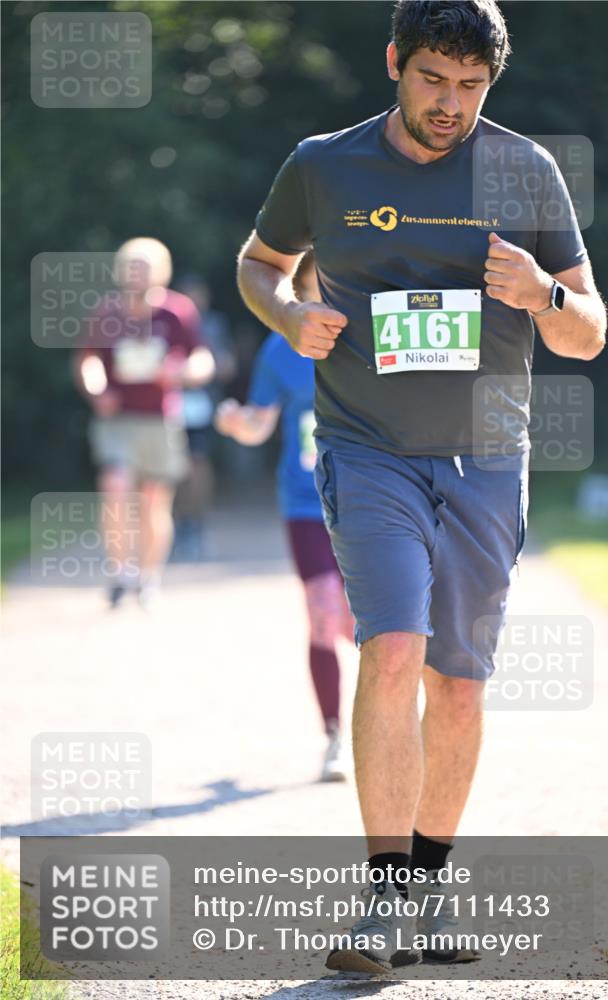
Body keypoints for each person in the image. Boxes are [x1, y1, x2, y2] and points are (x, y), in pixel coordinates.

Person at [236, 0, 607, 974]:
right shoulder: (324, 162)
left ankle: (428, 897)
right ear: (396, 61)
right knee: (392, 644)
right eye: (433, 80)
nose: (450, 105)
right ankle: (382, 901)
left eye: (471, 87)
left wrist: (545, 295)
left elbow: (588, 329)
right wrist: (284, 312)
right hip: (368, 448)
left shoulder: (525, 170)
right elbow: (259, 263)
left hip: (488, 456)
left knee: (458, 680)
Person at [215, 254, 354, 782]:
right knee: (322, 611)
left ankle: (389, 725)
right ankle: (335, 735)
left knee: (366, 625)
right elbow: (258, 424)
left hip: (376, 501)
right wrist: (237, 423)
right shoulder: (282, 347)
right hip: (306, 502)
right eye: (316, 282)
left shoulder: (372, 335)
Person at [73, 238, 215, 608]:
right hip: (118, 419)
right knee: (115, 487)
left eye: (145, 266)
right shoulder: (107, 313)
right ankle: (121, 572)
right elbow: (88, 360)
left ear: (159, 271)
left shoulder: (178, 312)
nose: (137, 273)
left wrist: (182, 372)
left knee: (153, 502)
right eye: (131, 266)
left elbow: (203, 360)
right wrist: (97, 389)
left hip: (161, 420)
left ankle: (148, 576)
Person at [172, 276, 238, 561]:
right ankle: (176, 527)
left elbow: (227, 364)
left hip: (202, 404)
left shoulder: (214, 325)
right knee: (172, 470)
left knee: (198, 465)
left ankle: (196, 524)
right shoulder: (165, 321)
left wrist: (209, 369)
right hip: (169, 405)